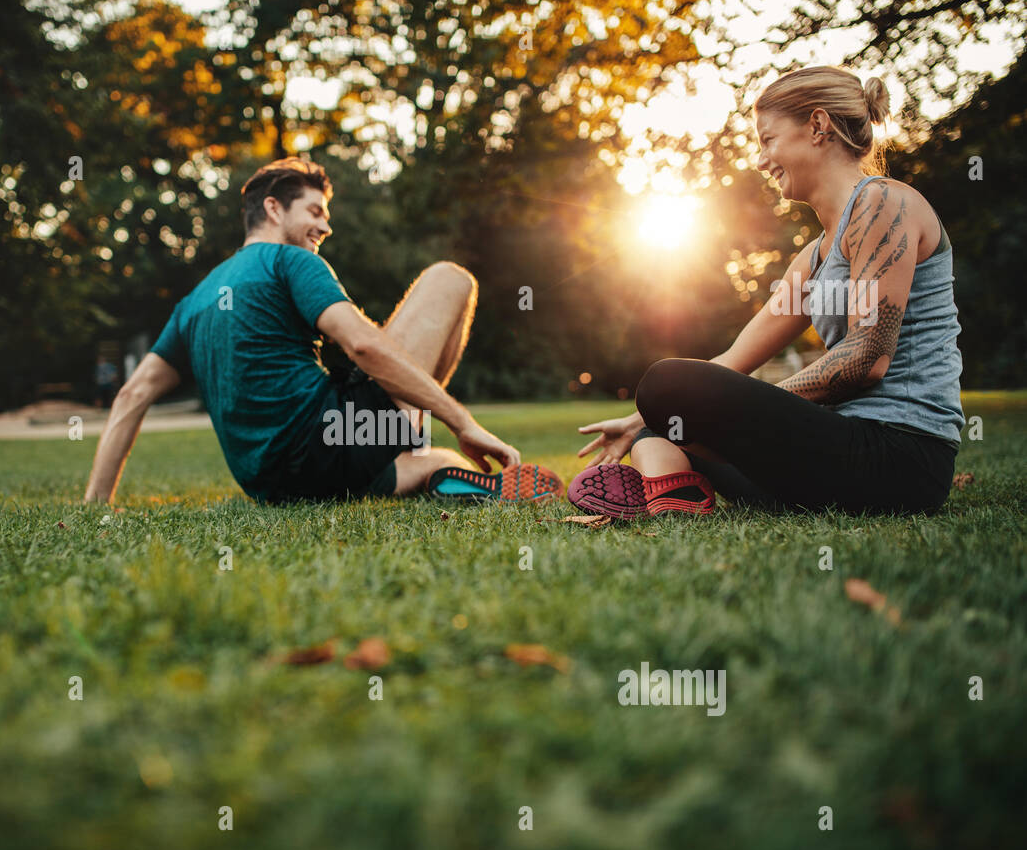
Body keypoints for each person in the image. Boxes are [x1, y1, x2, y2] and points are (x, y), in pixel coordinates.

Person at [571, 65, 964, 520]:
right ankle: (673, 495)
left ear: (817, 126)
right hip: (832, 462)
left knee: (668, 382)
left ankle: (665, 483)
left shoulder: (883, 203)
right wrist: (643, 419)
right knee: (658, 428)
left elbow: (867, 359)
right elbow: (729, 364)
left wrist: (744, 411)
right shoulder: (815, 258)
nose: (760, 161)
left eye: (767, 140)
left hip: (899, 458)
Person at [84, 157, 561, 505]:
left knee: (430, 460)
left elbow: (131, 396)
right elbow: (363, 344)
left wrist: (95, 507)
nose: (325, 226)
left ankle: (423, 465)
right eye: (314, 211)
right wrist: (464, 422)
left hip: (272, 486)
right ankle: (417, 443)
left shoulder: (196, 300)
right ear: (274, 209)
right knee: (450, 279)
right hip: (334, 438)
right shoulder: (287, 261)